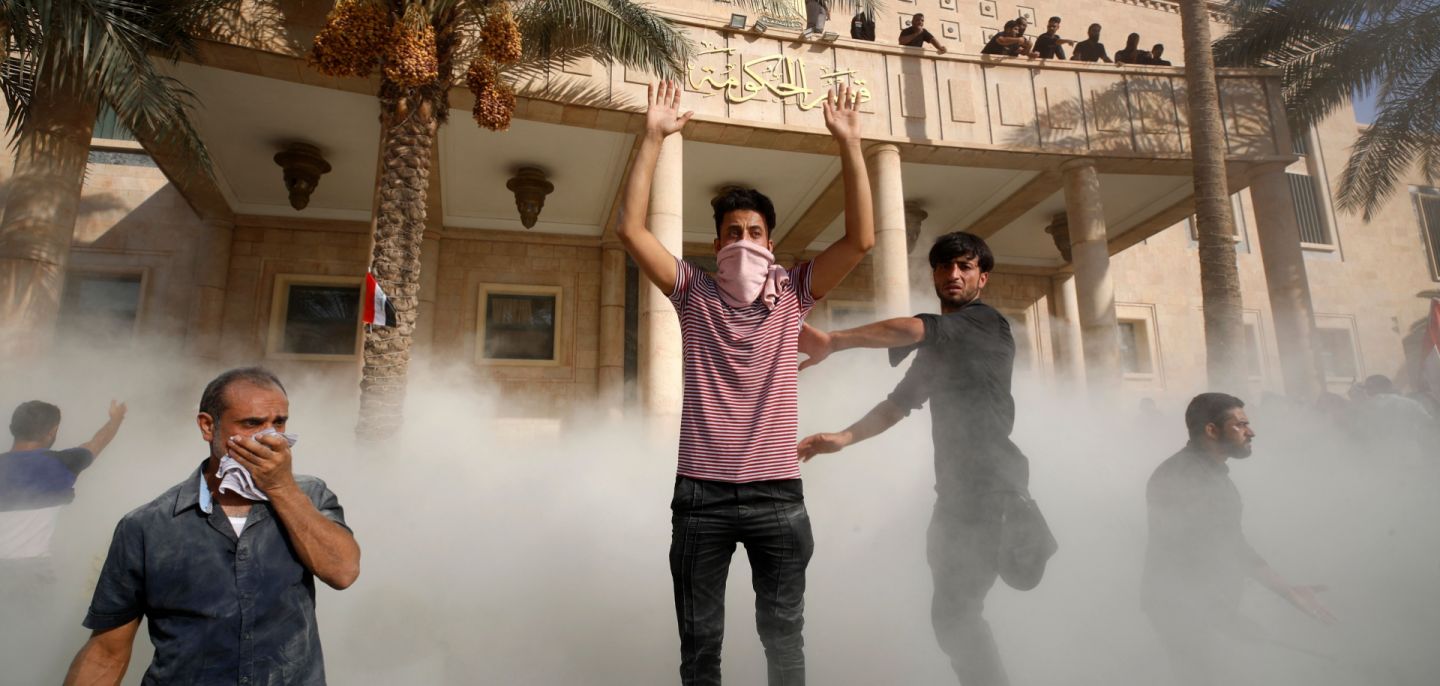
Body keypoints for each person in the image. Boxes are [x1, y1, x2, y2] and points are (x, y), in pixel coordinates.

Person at [617, 81, 873, 685]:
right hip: (700, 500)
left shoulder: (794, 295)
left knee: (784, 642)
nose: (743, 243)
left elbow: (861, 240)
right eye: (732, 233)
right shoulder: (693, 292)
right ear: (715, 244)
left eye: (754, 233)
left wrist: (851, 145)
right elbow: (631, 230)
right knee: (700, 646)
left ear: (771, 243)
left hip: (777, 498)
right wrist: (651, 135)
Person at [796, 232, 1040, 686]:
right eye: (945, 267)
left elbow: (912, 328)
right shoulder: (939, 351)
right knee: (952, 619)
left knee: (957, 617)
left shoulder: (984, 324)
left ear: (981, 279)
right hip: (955, 499)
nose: (953, 275)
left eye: (965, 267)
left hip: (992, 495)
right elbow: (899, 404)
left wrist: (833, 341)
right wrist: (844, 438)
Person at [63, 367, 361, 685]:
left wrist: (281, 488)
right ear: (208, 426)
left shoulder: (310, 496)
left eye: (280, 422)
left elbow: (342, 571)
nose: (271, 436)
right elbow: (107, 652)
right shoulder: (147, 527)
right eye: (252, 424)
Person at [1143, 393, 1336, 686]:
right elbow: (1185, 555)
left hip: (1204, 605)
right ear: (1211, 430)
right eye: (1240, 424)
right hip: (1185, 609)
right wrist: (1222, 616)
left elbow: (1231, 543)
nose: (1251, 431)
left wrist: (1287, 590)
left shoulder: (1210, 472)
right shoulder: (1183, 476)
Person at [0, 399, 127, 565]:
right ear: (52, 432)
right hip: (31, 573)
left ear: (13, 429)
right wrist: (115, 419)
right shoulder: (61, 464)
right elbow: (97, 443)